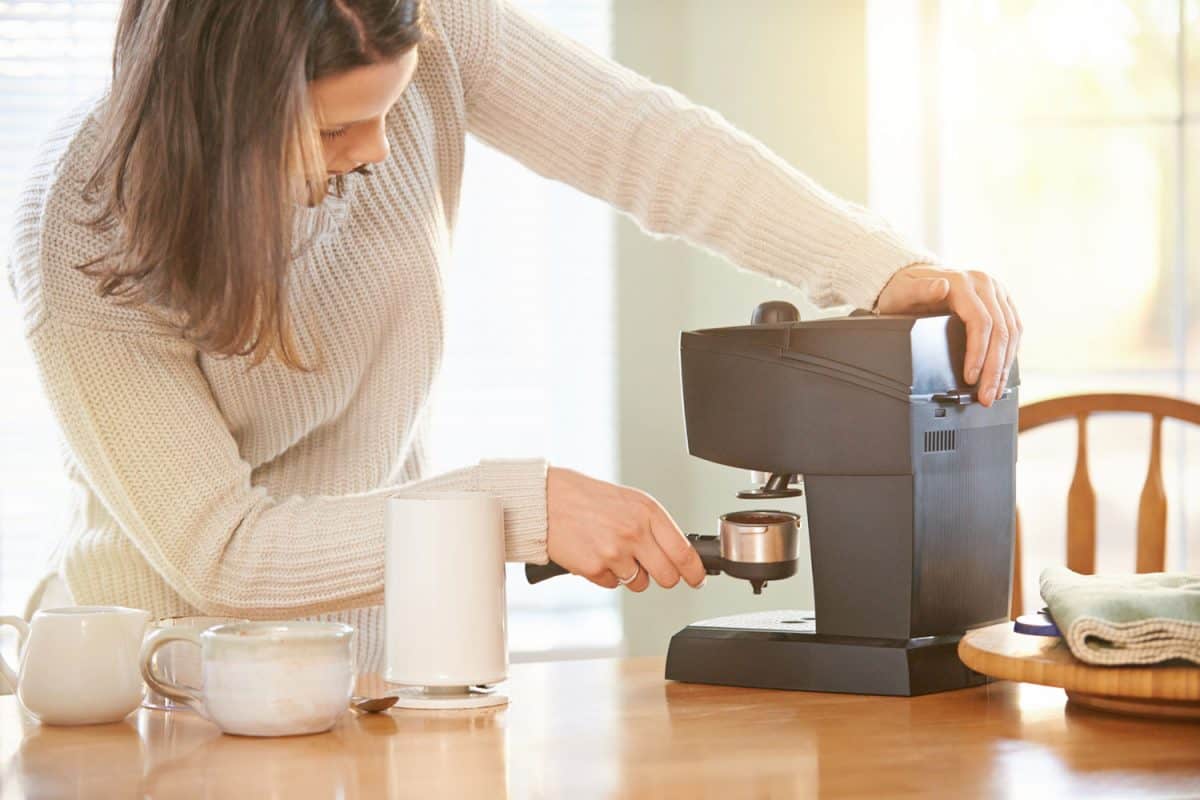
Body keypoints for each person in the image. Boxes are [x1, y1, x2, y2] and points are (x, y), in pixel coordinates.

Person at [7, 0, 1021, 668]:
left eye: (393, 112)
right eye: (331, 131)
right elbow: (223, 551)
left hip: (384, 673)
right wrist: (517, 505)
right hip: (159, 686)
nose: (378, 154)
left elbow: (643, 141)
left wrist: (879, 266)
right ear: (219, 114)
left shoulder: (430, 27)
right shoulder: (84, 222)